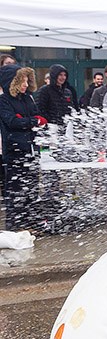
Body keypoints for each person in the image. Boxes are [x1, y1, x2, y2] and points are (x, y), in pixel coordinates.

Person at [0, 65, 46, 231]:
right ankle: (13, 227)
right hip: (14, 152)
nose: (26, 84)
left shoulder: (28, 98)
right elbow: (12, 121)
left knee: (31, 190)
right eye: (22, 80)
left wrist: (30, 121)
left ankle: (29, 223)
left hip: (31, 150)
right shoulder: (4, 100)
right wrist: (32, 121)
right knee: (15, 191)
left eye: (27, 80)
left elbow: (37, 116)